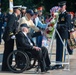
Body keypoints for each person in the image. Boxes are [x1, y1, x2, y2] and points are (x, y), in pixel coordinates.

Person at [52, 1, 71, 69]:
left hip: (63, 35)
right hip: (58, 34)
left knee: (62, 50)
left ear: (65, 7)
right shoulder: (59, 15)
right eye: (59, 6)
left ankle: (61, 64)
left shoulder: (67, 15)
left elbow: (67, 25)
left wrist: (59, 26)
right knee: (58, 49)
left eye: (61, 6)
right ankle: (57, 63)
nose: (60, 8)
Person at [2, 6, 21, 71]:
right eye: (19, 10)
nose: (20, 11)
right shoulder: (13, 16)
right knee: (8, 52)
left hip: (10, 37)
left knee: (10, 51)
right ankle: (5, 67)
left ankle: (8, 65)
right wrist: (11, 34)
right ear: (16, 10)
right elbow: (9, 27)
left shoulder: (15, 17)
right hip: (8, 37)